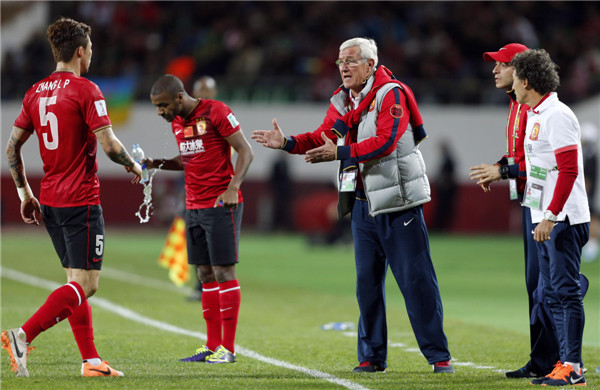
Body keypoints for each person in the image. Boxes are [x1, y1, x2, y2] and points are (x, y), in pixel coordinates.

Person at [251, 37, 453, 374]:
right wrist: (287, 143)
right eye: (340, 61)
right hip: (362, 204)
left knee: (416, 282)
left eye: (351, 60)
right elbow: (323, 137)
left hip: (397, 203)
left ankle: (439, 356)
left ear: (370, 65)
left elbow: (386, 143)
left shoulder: (392, 94)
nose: (343, 66)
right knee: (367, 286)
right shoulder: (344, 100)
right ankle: (372, 357)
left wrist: (341, 153)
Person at [1, 17, 142, 378]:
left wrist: (24, 193)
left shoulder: (34, 92)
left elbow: (12, 147)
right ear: (80, 51)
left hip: (50, 199)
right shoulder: (86, 90)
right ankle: (22, 335)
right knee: (86, 284)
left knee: (73, 281)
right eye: (90, 50)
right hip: (80, 199)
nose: (91, 55)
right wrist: (133, 164)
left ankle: (91, 361)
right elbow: (110, 144)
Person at [482, 49, 590, 387]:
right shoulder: (536, 113)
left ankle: (573, 367)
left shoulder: (557, 115)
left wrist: (551, 216)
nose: (507, 79)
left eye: (513, 75)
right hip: (543, 215)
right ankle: (564, 362)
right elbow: (543, 168)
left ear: (526, 80)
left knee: (563, 292)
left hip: (561, 220)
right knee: (548, 295)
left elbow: (569, 170)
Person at [145, 74, 253, 364]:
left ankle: (227, 350)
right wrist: (158, 164)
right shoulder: (179, 122)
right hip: (193, 207)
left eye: (163, 105)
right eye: (157, 107)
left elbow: (246, 151)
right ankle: (211, 345)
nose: (160, 112)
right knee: (204, 275)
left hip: (221, 203)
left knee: (223, 272)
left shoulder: (217, 111)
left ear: (180, 98)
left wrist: (233, 187)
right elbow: (187, 159)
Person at [469, 43, 561, 379]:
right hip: (530, 202)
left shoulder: (539, 110)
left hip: (546, 207)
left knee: (547, 285)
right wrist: (500, 166)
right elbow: (522, 156)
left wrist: (504, 172)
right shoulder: (517, 106)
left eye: (502, 65)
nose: (495, 71)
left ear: (521, 71)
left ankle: (558, 359)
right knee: (535, 285)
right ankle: (543, 360)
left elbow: (544, 163)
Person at [185, 75, 219, 302]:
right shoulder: (188, 120)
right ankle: (201, 284)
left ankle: (212, 286)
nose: (204, 95)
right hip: (193, 192)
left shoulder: (221, 117)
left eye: (207, 91)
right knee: (196, 242)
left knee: (215, 243)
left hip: (216, 191)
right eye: (200, 91)